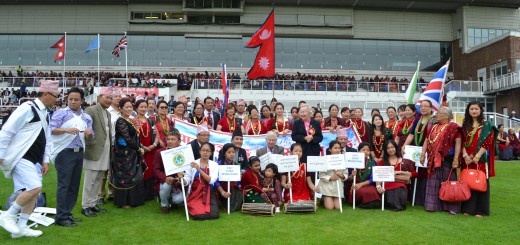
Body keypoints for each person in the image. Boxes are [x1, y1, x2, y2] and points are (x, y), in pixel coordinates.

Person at [0, 80, 57, 237]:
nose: (56, 100)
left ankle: (22, 227)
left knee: (31, 192)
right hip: (21, 157)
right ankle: (8, 215)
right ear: (46, 94)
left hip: (35, 160)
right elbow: (6, 131)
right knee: (34, 188)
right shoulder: (27, 108)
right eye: (55, 96)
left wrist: (45, 160)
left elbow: (47, 139)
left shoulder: (45, 113)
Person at [50, 87, 94, 224]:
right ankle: (61, 217)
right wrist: (66, 130)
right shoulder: (60, 113)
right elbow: (51, 129)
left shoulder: (86, 117)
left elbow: (91, 134)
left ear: (82, 100)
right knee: (64, 185)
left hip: (79, 153)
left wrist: (89, 133)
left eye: (76, 99)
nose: (73, 102)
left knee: (74, 185)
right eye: (70, 99)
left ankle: (67, 213)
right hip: (65, 153)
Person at [420, 107, 461, 214]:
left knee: (448, 181)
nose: (437, 114)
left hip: (447, 158)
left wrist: (456, 158)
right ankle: (432, 206)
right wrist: (423, 154)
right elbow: (426, 140)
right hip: (432, 159)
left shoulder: (453, 126)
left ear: (447, 116)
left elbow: (458, 142)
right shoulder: (433, 127)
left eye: (439, 113)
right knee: (433, 181)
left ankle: (451, 207)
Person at [461, 101, 497, 217]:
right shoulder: (465, 124)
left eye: (476, 109)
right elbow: (461, 141)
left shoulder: (486, 124)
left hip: (479, 159)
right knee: (467, 182)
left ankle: (480, 210)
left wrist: (477, 156)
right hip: (466, 159)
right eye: (471, 109)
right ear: (468, 110)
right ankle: (467, 209)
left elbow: (488, 142)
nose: (474, 111)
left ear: (481, 110)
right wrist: (465, 155)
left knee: (480, 182)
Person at [110, 97, 146, 208]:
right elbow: (127, 138)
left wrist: (139, 146)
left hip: (131, 152)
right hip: (123, 153)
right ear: (120, 109)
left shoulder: (129, 119)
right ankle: (123, 202)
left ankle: (133, 200)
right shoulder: (120, 121)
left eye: (131, 107)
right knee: (125, 176)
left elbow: (134, 136)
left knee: (133, 174)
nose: (129, 109)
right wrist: (138, 148)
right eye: (127, 107)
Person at [82, 93, 112, 219]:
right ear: (99, 98)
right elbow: (85, 127)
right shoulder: (91, 110)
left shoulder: (108, 113)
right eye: (107, 98)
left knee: (99, 178)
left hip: (105, 150)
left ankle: (93, 203)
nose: (109, 100)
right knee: (90, 179)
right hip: (94, 149)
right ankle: (85, 205)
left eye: (111, 98)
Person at [402, 100, 434, 206]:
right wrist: (404, 146)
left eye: (426, 106)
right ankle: (414, 198)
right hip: (415, 150)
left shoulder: (433, 120)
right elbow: (411, 135)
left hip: (428, 151)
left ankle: (424, 199)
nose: (423, 108)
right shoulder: (417, 120)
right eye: (422, 106)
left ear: (431, 108)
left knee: (425, 174)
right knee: (415, 172)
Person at [133, 100, 161, 200]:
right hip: (139, 151)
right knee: (140, 171)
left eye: (145, 107)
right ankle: (140, 194)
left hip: (150, 150)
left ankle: (150, 194)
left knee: (150, 170)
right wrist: (142, 147)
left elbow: (157, 135)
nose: (143, 109)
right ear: (136, 108)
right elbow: (132, 137)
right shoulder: (133, 121)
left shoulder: (151, 121)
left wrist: (153, 145)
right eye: (141, 107)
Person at [378, 140, 416, 211]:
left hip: (401, 183)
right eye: (388, 148)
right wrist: (378, 186)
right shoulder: (382, 162)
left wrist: (407, 173)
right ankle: (396, 206)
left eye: (392, 147)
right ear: (385, 150)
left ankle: (398, 205)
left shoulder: (404, 161)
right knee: (393, 191)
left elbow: (415, 173)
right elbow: (377, 175)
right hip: (387, 184)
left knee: (399, 188)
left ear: (396, 147)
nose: (390, 150)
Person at [184, 142, 220, 220]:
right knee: (198, 215)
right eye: (203, 150)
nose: (205, 152)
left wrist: (199, 169)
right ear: (199, 151)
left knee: (215, 215)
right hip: (195, 192)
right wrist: (182, 180)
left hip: (209, 191)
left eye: (207, 151)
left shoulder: (214, 165)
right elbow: (187, 178)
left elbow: (211, 180)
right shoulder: (193, 163)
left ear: (211, 153)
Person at [153, 132, 185, 214]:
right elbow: (156, 169)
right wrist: (165, 178)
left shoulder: (184, 152)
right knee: (166, 186)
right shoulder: (159, 152)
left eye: (173, 139)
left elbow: (187, 169)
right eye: (168, 139)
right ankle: (164, 205)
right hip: (165, 180)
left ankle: (171, 201)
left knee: (179, 199)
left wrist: (180, 178)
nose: (170, 141)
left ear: (179, 141)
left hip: (179, 182)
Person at [347, 142, 381, 209]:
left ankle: (368, 204)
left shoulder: (372, 162)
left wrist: (361, 184)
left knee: (373, 191)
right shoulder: (353, 162)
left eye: (368, 150)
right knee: (361, 191)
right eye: (363, 150)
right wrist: (352, 175)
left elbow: (373, 178)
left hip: (367, 184)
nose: (366, 152)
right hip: (355, 184)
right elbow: (349, 179)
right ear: (359, 151)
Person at [101, 93, 121, 202]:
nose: (118, 98)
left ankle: (112, 192)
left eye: (120, 97)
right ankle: (100, 195)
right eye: (116, 97)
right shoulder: (106, 111)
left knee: (116, 170)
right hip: (108, 144)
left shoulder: (124, 111)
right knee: (104, 170)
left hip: (120, 146)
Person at [319, 141, 348, 210]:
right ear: (330, 149)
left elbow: (346, 174)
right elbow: (321, 175)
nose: (337, 150)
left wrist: (341, 176)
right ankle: (323, 199)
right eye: (335, 148)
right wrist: (330, 177)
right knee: (330, 207)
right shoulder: (325, 160)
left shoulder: (343, 160)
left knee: (338, 207)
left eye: (339, 148)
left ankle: (334, 199)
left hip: (338, 187)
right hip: (327, 187)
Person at [216, 143, 243, 212]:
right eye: (229, 152)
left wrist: (239, 177)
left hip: (232, 189)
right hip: (221, 189)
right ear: (224, 154)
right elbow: (216, 181)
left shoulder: (236, 165)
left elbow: (237, 182)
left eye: (233, 152)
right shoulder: (218, 164)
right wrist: (222, 192)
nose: (231, 154)